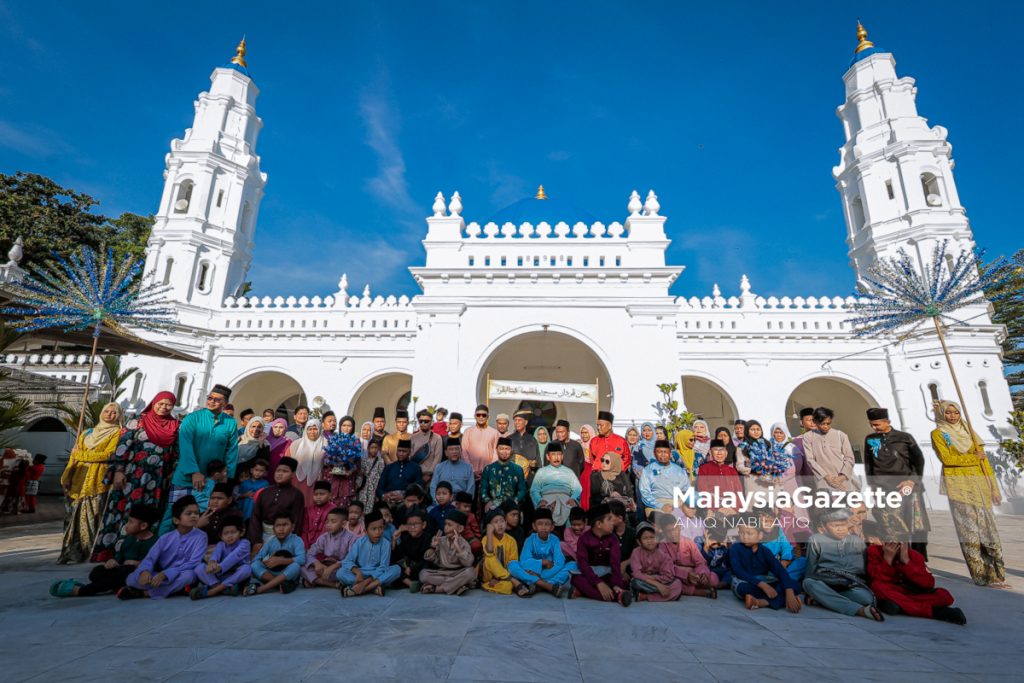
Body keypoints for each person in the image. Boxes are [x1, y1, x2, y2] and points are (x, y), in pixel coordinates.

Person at [930, 400, 1008, 588]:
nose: (952, 416)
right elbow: (947, 459)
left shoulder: (970, 432)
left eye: (955, 412)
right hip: (959, 487)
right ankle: (980, 576)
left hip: (981, 486)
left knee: (989, 530)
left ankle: (997, 574)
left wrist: (995, 489)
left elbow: (985, 463)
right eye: (948, 413)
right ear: (941, 414)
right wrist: (973, 457)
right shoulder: (939, 433)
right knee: (970, 532)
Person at [91, 392, 177, 562]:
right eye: (160, 403)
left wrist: (171, 472)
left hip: (157, 479)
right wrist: (119, 471)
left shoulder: (175, 425)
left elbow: (176, 453)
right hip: (132, 475)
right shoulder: (137, 421)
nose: (163, 407)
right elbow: (122, 446)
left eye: (168, 404)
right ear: (154, 402)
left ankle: (139, 554)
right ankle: (114, 553)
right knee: (126, 513)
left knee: (148, 516)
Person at [58, 402, 123, 564]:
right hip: (78, 480)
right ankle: (71, 552)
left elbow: (109, 454)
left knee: (92, 516)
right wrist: (66, 477)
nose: (109, 414)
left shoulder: (118, 433)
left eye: (113, 412)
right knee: (72, 517)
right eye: (106, 411)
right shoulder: (87, 433)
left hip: (97, 480)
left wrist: (82, 455)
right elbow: (74, 457)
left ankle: (88, 552)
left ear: (119, 415)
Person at [49, 503, 160, 598]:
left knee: (124, 572)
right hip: (121, 571)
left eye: (131, 522)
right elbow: (120, 556)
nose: (126, 526)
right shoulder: (130, 539)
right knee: (97, 571)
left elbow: (158, 565)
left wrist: (137, 564)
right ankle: (112, 585)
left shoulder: (156, 542)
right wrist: (112, 561)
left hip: (138, 575)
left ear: (143, 526)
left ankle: (81, 591)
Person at [864, 407, 930, 559]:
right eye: (872, 425)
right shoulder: (870, 439)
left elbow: (918, 461)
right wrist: (874, 488)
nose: (875, 428)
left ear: (888, 422)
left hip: (907, 487)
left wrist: (912, 481)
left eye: (878, 424)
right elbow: (869, 465)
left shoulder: (904, 437)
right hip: (884, 489)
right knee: (892, 526)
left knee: (917, 525)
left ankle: (919, 559)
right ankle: (899, 558)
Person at [168, 384, 238, 520]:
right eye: (210, 398)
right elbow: (185, 446)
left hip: (211, 481)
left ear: (226, 403)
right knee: (174, 518)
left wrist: (227, 476)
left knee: (203, 519)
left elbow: (232, 450)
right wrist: (194, 471)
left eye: (217, 400)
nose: (211, 401)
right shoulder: (192, 418)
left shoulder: (230, 423)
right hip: (186, 478)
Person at [802, 509, 883, 621]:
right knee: (808, 583)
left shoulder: (856, 541)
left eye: (843, 525)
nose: (840, 529)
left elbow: (864, 569)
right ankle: (860, 610)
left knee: (867, 599)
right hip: (827, 582)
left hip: (850, 585)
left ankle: (821, 599)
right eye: (835, 526)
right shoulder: (816, 540)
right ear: (824, 527)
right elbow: (811, 568)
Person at [120, 496, 206, 600]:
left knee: (189, 576)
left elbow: (194, 562)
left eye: (196, 513)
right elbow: (150, 558)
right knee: (131, 579)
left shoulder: (201, 536)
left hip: (182, 573)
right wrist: (144, 571)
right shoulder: (165, 538)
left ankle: (146, 593)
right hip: (161, 575)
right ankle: (175, 589)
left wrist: (167, 574)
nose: (194, 516)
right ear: (176, 520)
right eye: (189, 513)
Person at [866, 535, 965, 624]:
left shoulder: (914, 555)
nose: (895, 545)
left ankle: (900, 608)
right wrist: (888, 558)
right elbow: (877, 578)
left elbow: (928, 584)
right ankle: (935, 612)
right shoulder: (874, 551)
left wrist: (906, 561)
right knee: (878, 587)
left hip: (912, 594)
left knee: (944, 596)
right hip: (894, 591)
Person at [729, 521, 802, 612]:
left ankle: (760, 602)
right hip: (745, 582)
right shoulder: (735, 548)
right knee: (743, 589)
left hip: (765, 581)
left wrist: (789, 590)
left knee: (795, 585)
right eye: (742, 533)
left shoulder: (765, 551)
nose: (745, 536)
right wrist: (762, 585)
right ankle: (783, 601)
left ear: (760, 535)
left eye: (749, 533)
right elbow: (738, 571)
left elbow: (779, 570)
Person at [570, 503, 631, 605]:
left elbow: (615, 563)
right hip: (590, 575)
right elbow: (583, 564)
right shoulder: (584, 539)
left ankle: (583, 592)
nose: (613, 523)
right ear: (599, 524)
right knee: (577, 579)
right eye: (609, 520)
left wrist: (616, 584)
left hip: (607, 574)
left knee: (624, 583)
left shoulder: (613, 539)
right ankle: (618, 596)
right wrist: (598, 583)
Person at [508, 507, 574, 597]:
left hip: (549, 573)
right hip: (533, 571)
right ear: (534, 526)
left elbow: (559, 563)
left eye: (547, 524)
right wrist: (543, 562)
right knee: (512, 564)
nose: (543, 527)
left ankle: (537, 584)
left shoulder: (555, 540)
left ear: (552, 527)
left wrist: (539, 575)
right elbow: (524, 561)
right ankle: (547, 586)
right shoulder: (530, 540)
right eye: (540, 524)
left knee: (573, 565)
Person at [654, 513, 718, 598]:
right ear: (664, 532)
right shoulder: (662, 546)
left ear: (679, 527)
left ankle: (699, 585)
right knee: (673, 583)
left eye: (675, 529)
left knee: (713, 578)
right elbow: (667, 568)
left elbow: (701, 562)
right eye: (668, 531)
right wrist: (686, 575)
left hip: (695, 574)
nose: (673, 533)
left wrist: (702, 574)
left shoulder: (689, 542)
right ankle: (697, 592)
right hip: (677, 576)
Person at [337, 509, 400, 596]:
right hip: (361, 573)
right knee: (340, 573)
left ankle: (360, 589)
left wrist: (366, 582)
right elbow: (347, 561)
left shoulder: (386, 544)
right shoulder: (359, 542)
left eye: (380, 528)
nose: (378, 532)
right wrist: (358, 572)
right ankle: (374, 588)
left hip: (377, 574)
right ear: (366, 530)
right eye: (373, 529)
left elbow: (383, 568)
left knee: (396, 569)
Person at [248, 457, 306, 549]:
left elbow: (297, 522)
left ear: (293, 475)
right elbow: (255, 516)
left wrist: (289, 544)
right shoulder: (265, 492)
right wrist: (256, 541)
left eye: (284, 471)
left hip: (284, 540)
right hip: (262, 538)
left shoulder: (296, 494)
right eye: (278, 470)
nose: (280, 474)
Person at [191, 515, 251, 599]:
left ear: (241, 532)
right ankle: (222, 588)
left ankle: (212, 591)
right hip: (220, 577)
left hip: (235, 576)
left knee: (246, 569)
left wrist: (220, 567)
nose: (229, 536)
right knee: (199, 567)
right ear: (221, 536)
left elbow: (234, 556)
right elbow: (215, 555)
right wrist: (212, 562)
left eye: (233, 532)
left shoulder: (245, 543)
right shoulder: (221, 544)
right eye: (226, 533)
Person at [245, 512, 306, 595]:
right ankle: (281, 584)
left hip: (288, 573)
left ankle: (262, 589)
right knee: (254, 565)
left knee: (296, 566)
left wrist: (281, 561)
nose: (281, 529)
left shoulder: (297, 540)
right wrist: (266, 561)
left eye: (285, 525)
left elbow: (302, 559)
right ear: (273, 529)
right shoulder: (270, 542)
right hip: (272, 572)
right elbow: (257, 558)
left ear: (292, 527)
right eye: (278, 525)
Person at [419, 509, 477, 595]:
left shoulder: (464, 543)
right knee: (423, 575)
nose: (446, 527)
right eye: (445, 524)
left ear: (460, 528)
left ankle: (439, 589)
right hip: (443, 573)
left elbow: (468, 563)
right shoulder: (440, 540)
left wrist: (457, 547)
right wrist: (433, 547)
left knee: (471, 572)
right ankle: (457, 586)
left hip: (458, 573)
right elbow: (436, 561)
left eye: (450, 525)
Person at [801, 407, 858, 493]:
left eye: (828, 423)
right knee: (827, 506)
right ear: (815, 422)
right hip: (823, 481)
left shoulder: (841, 435)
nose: (825, 426)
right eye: (822, 424)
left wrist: (841, 478)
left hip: (843, 481)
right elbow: (810, 460)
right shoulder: (808, 437)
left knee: (849, 505)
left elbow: (849, 458)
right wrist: (827, 477)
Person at [301, 506, 356, 588]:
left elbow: (351, 558)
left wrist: (333, 567)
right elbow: (310, 553)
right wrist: (317, 563)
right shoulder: (324, 537)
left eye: (333, 522)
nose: (329, 525)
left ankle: (316, 581)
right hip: (325, 567)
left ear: (343, 524)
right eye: (327, 522)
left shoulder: (352, 538)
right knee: (301, 566)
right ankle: (333, 584)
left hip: (341, 569)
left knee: (344, 574)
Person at [530, 441, 582, 527]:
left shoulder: (569, 472)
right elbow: (534, 490)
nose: (556, 457)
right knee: (544, 516)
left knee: (572, 512)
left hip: (566, 500)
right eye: (553, 454)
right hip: (547, 500)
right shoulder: (541, 472)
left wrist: (573, 498)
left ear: (562, 456)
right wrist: (539, 500)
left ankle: (569, 537)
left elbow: (577, 488)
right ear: (548, 456)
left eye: (558, 454)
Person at [629, 522, 683, 602]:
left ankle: (645, 596)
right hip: (644, 583)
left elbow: (668, 576)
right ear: (639, 541)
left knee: (677, 585)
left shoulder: (662, 554)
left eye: (652, 537)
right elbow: (637, 574)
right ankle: (661, 594)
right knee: (635, 582)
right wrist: (658, 585)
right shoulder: (636, 552)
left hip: (658, 581)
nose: (649, 541)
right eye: (645, 538)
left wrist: (653, 578)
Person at [638, 440, 689, 517]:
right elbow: (645, 493)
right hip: (654, 504)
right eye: (659, 452)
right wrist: (660, 505)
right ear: (654, 453)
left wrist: (677, 504)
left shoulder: (679, 470)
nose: (663, 455)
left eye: (665, 452)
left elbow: (686, 490)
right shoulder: (647, 470)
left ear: (670, 453)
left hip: (675, 504)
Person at [321, 415, 362, 508]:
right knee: (331, 503)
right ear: (340, 426)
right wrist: (334, 463)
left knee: (345, 504)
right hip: (334, 477)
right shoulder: (334, 439)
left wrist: (350, 471)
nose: (346, 428)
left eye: (349, 426)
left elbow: (357, 463)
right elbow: (327, 458)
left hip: (347, 478)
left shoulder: (356, 441)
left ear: (353, 427)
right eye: (344, 425)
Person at [480, 508, 521, 595]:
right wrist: (489, 533)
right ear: (489, 526)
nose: (500, 525)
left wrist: (499, 578)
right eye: (495, 522)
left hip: (503, 577)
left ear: (506, 523)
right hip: (488, 575)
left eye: (502, 521)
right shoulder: (486, 538)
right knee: (489, 558)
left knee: (508, 587)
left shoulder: (511, 540)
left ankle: (485, 585)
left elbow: (512, 563)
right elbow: (489, 552)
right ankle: (513, 580)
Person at [480, 436, 527, 512]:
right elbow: (483, 489)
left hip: (512, 506)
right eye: (501, 449)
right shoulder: (488, 469)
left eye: (507, 449)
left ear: (511, 450)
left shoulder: (518, 469)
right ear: (496, 450)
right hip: (493, 506)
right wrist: (488, 501)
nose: (504, 452)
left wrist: (515, 501)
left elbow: (522, 490)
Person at [696, 439, 742, 514]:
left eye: (722, 450)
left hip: (731, 506)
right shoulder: (704, 468)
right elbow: (703, 490)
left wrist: (734, 508)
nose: (719, 453)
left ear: (726, 453)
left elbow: (739, 492)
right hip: (712, 507)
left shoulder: (732, 470)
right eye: (716, 450)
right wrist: (711, 508)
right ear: (710, 453)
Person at [392, 507, 432, 590]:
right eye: (409, 524)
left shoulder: (428, 538)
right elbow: (396, 556)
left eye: (416, 524)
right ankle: (411, 584)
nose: (412, 527)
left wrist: (412, 568)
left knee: (428, 565)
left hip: (419, 569)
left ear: (423, 525)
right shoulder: (405, 538)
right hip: (407, 570)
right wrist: (394, 540)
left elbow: (427, 560)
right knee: (393, 566)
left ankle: (410, 583)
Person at [288, 419, 325, 506]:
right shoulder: (295, 445)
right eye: (309, 429)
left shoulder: (326, 445)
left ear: (319, 429)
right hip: (296, 482)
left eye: (315, 429)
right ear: (306, 430)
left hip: (317, 482)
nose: (312, 432)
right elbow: (288, 463)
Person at [377, 438, 422, 508]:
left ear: (409, 452)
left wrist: (404, 496)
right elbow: (379, 488)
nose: (401, 453)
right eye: (399, 451)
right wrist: (384, 495)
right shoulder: (389, 467)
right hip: (388, 501)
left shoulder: (416, 468)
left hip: (406, 502)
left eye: (404, 451)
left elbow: (418, 488)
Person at [461, 404, 499, 483]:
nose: (481, 417)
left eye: (483, 415)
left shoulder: (494, 433)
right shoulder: (468, 431)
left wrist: (488, 469)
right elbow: (464, 452)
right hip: (470, 473)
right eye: (478, 415)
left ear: (488, 416)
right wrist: (472, 470)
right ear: (475, 416)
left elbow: (496, 452)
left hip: (488, 473)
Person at [410, 409, 444, 480]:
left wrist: (429, 473)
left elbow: (437, 458)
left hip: (431, 476)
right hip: (414, 474)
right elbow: (410, 456)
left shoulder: (437, 438)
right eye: (420, 421)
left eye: (426, 421)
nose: (423, 423)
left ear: (431, 422)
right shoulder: (413, 437)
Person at [509, 410, 541, 483]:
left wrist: (534, 464)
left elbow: (538, 461)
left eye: (519, 420)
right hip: (513, 478)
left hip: (529, 479)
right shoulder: (509, 439)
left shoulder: (533, 440)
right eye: (515, 420)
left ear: (526, 422)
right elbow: (504, 458)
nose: (516, 423)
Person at [302, 481, 334, 547]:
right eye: (315, 494)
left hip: (325, 545)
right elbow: (304, 529)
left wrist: (318, 546)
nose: (318, 497)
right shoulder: (308, 509)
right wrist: (305, 545)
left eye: (322, 494)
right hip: (307, 544)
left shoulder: (333, 509)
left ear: (330, 495)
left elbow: (328, 531)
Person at [358, 438, 385, 510]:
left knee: (372, 508)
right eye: (372, 448)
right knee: (362, 507)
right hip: (364, 489)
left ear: (378, 449)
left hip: (374, 489)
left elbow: (381, 476)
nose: (374, 450)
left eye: (376, 448)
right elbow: (360, 476)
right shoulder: (364, 461)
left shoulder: (380, 461)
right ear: (368, 448)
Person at [453, 491, 482, 557]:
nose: (468, 509)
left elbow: (476, 530)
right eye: (465, 506)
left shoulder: (471, 516)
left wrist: (478, 539)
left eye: (469, 507)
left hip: (469, 540)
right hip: (456, 539)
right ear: (457, 505)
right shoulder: (453, 515)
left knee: (476, 545)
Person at [789, 407, 816, 477]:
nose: (812, 422)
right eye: (809, 420)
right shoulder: (796, 441)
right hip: (807, 479)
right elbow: (796, 465)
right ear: (801, 423)